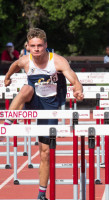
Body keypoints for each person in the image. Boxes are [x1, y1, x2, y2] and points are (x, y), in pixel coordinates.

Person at [3, 28, 84, 200]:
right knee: (25, 89)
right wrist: (7, 77)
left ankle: (41, 193)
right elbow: (14, 65)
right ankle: (6, 126)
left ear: (46, 45)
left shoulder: (58, 61)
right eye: (33, 46)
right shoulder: (26, 60)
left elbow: (75, 80)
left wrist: (78, 90)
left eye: (40, 45)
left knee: (45, 152)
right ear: (28, 46)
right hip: (33, 100)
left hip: (50, 107)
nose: (37, 49)